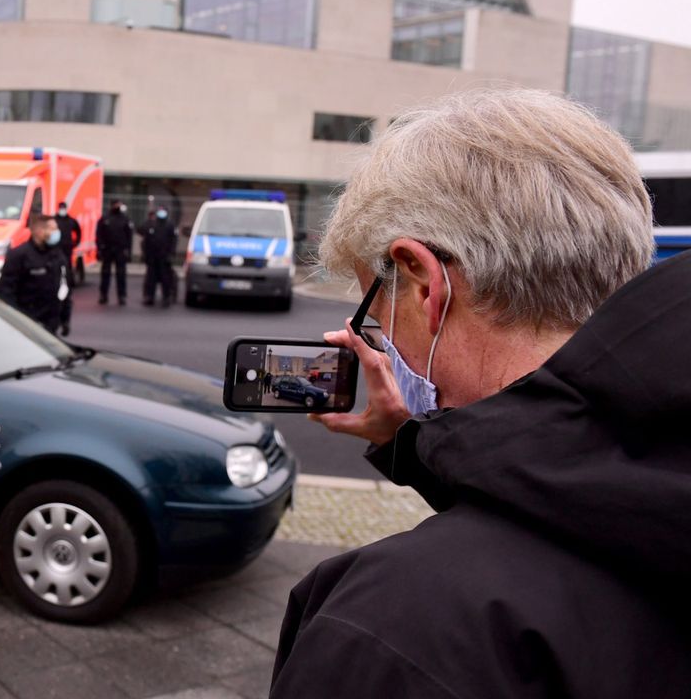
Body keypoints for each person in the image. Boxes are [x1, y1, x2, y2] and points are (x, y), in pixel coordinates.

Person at [269, 88, 690, 696]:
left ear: (422, 283)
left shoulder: (389, 625)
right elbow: (585, 503)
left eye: (376, 319)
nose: (385, 346)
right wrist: (414, 447)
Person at [0, 213, 70, 332]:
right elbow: (6, 292)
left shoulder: (58, 255)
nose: (57, 232)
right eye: (53, 229)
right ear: (39, 231)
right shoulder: (19, 255)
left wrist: (65, 318)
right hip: (28, 323)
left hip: (51, 323)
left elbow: (64, 287)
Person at [96, 199, 133, 305]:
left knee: (121, 274)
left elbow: (129, 236)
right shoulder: (105, 218)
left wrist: (128, 251)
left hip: (120, 250)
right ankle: (103, 295)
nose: (117, 206)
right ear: (111, 205)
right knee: (105, 274)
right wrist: (99, 249)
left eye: (119, 204)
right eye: (116, 204)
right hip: (107, 249)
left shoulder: (125, 219)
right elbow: (99, 235)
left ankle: (121, 296)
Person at [53, 201, 82, 335]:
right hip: (57, 253)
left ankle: (64, 320)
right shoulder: (53, 220)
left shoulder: (71, 221)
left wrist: (74, 243)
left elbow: (78, 231)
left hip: (67, 253)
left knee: (66, 281)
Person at [140, 206, 177, 306]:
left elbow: (173, 241)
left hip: (164, 257)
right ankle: (149, 297)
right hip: (152, 256)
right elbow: (146, 240)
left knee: (165, 278)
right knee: (150, 278)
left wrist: (171, 254)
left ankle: (166, 297)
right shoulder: (152, 224)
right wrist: (145, 254)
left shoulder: (170, 225)